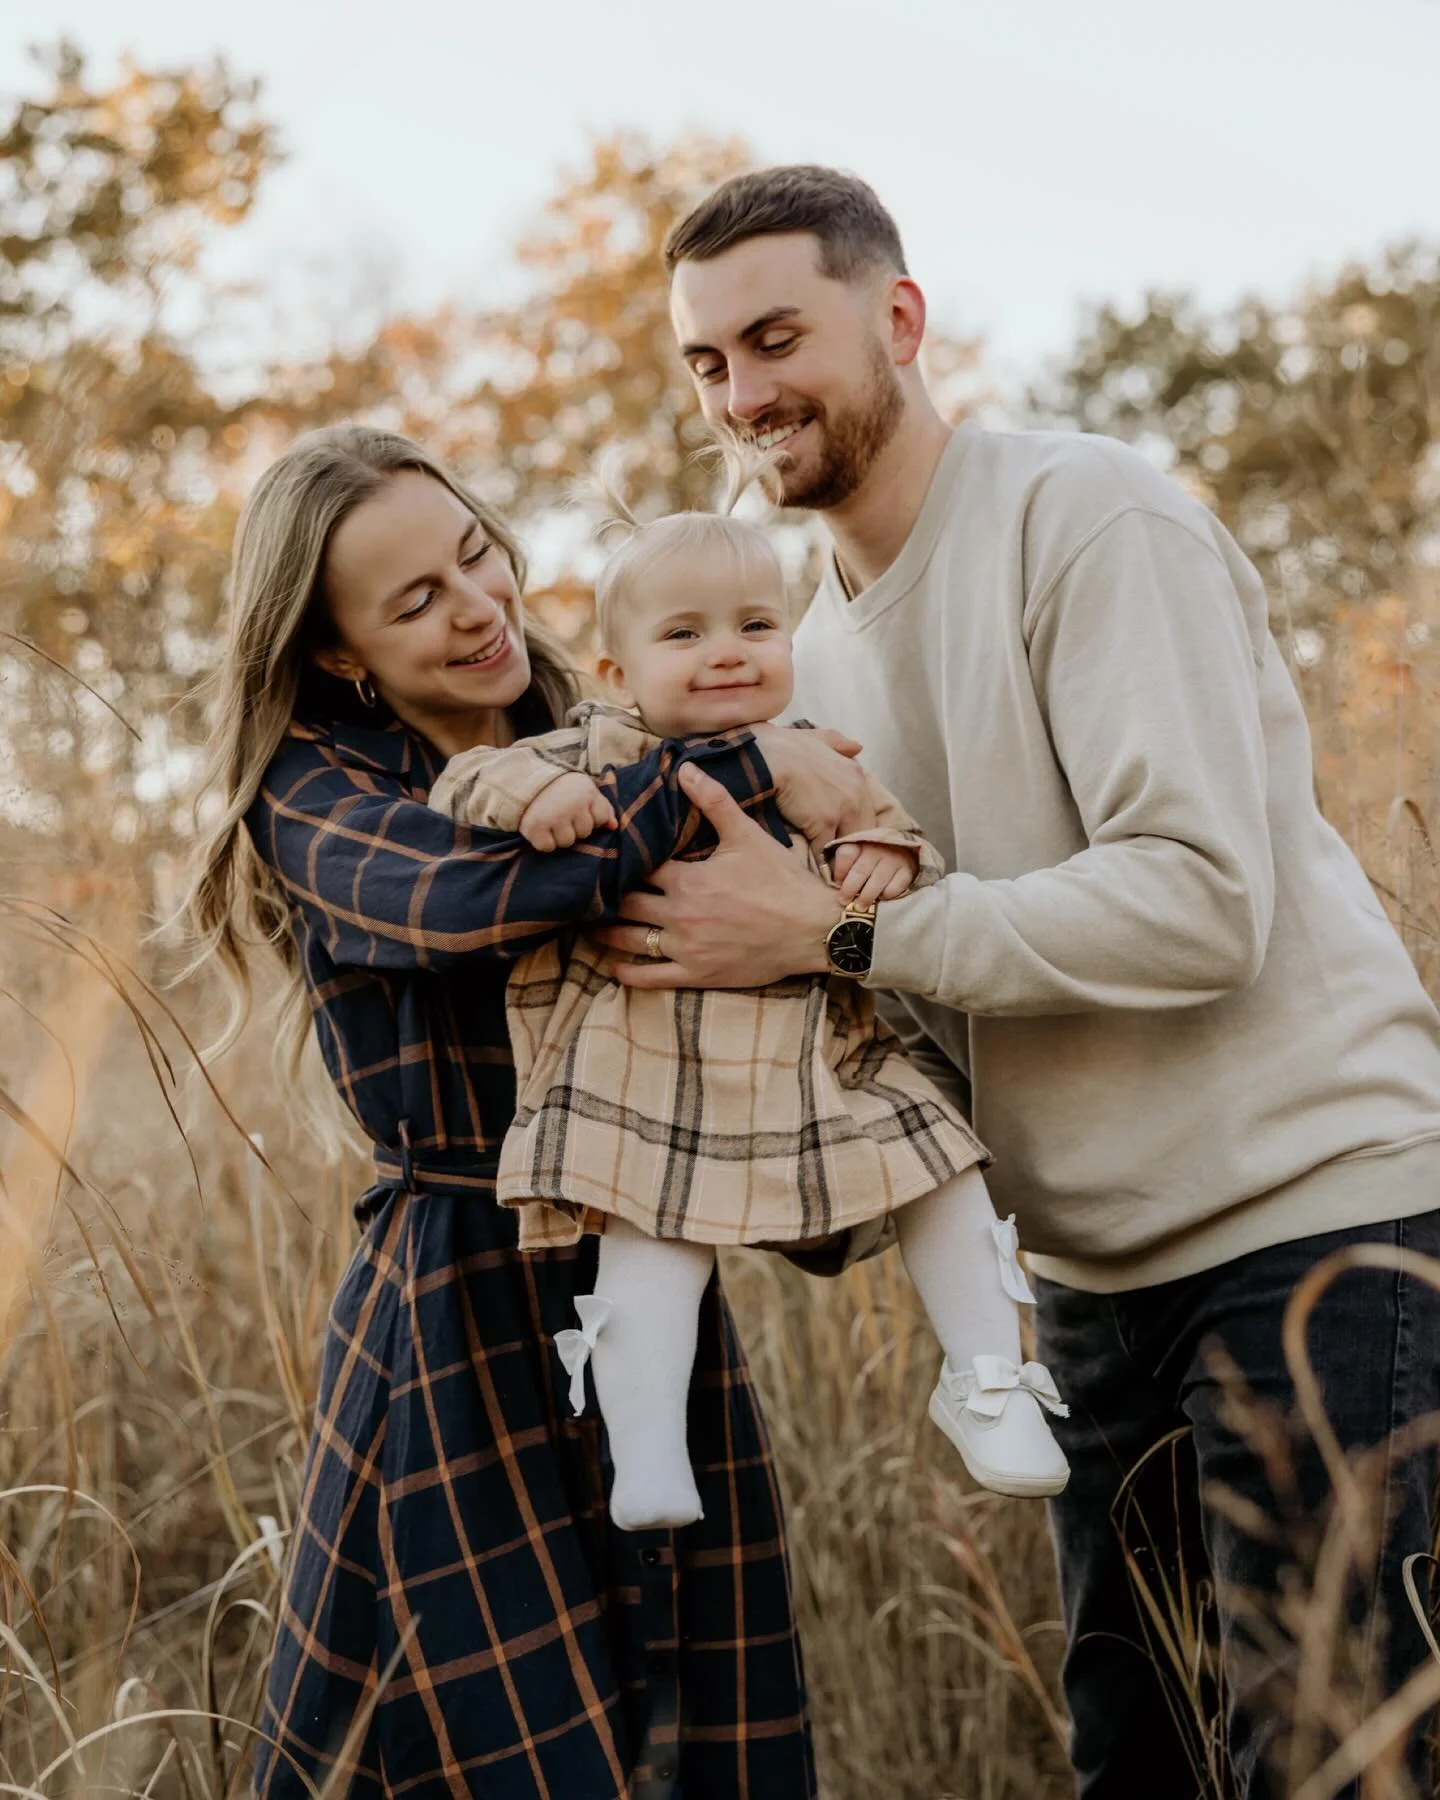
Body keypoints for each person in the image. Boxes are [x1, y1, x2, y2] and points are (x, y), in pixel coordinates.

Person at [598, 165, 1440, 1797]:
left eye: (776, 338)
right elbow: (926, 1009)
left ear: (900, 319)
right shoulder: (799, 668)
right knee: (1138, 1767)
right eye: (706, 362)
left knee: (1331, 1764)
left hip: (1316, 1235)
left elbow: (1199, 905)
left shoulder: (1088, 517)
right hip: (1091, 1292)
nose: (743, 395)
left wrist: (837, 935)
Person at [184, 423, 878, 1799]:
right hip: (460, 1310)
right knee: (500, 1748)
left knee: (691, 1730)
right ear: (339, 652)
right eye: (416, 600)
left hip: (644, 1275)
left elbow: (763, 960)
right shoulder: (315, 790)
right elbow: (482, 897)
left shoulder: (605, 726)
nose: (479, 605)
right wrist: (753, 767)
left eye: (476, 555)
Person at [425, 449, 1069, 1533]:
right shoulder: (599, 746)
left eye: (755, 626)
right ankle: (645, 1447)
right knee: (650, 1241)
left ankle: (989, 1379)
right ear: (618, 670)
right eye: (684, 634)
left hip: (813, 1054)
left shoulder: (819, 754)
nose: (727, 651)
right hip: (649, 1058)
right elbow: (466, 778)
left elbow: (899, 839)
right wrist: (532, 792)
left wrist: (887, 857)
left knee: (943, 1167)